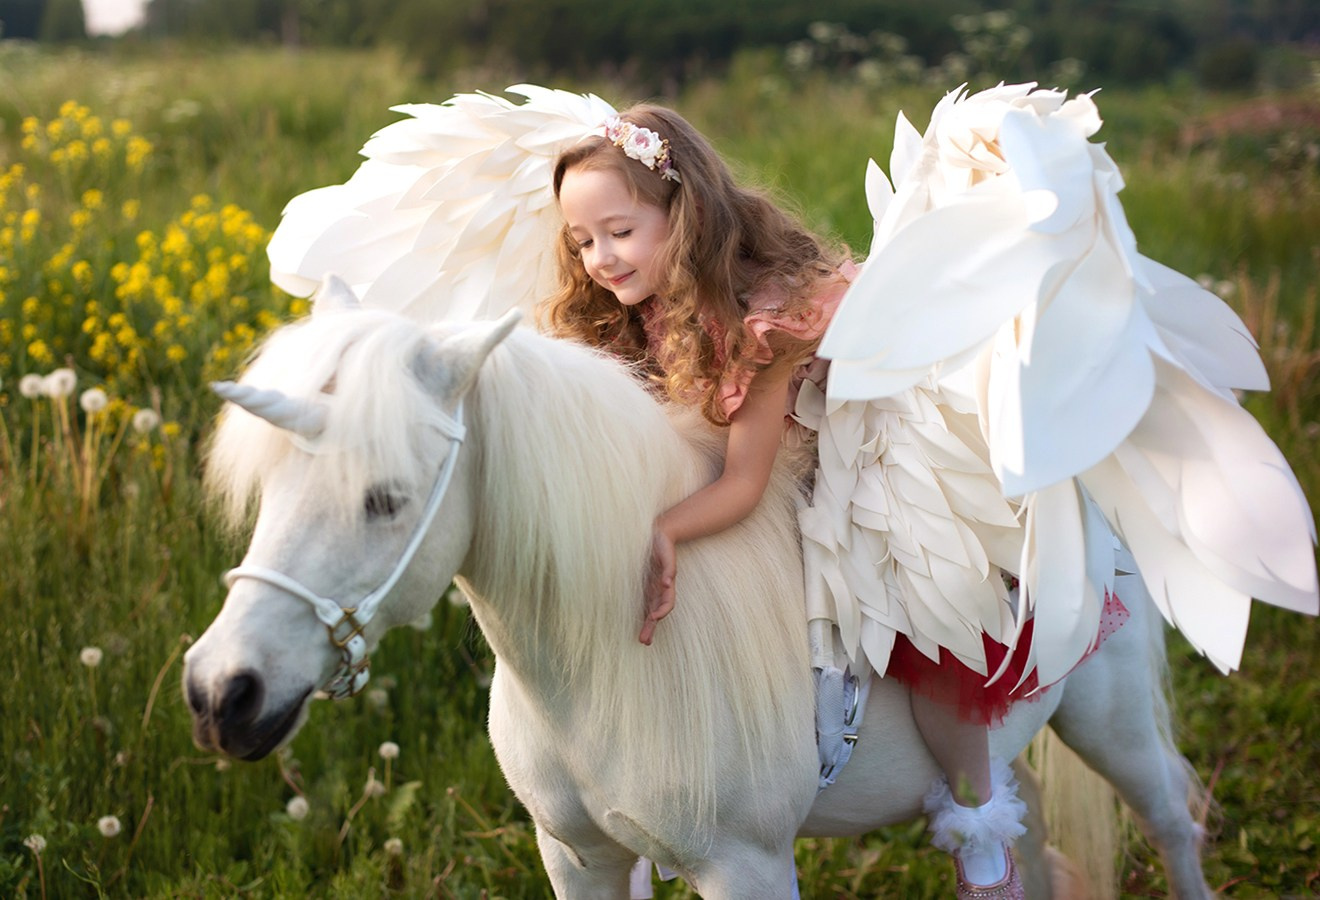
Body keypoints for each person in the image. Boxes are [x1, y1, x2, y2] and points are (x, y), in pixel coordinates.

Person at [540, 103, 1027, 899]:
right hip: (719, 477)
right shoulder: (613, 318)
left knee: (927, 603)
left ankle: (976, 808)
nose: (600, 258)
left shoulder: (761, 318)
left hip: (833, 463)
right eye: (581, 240)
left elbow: (743, 484)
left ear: (683, 212)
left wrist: (661, 528)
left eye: (620, 232)